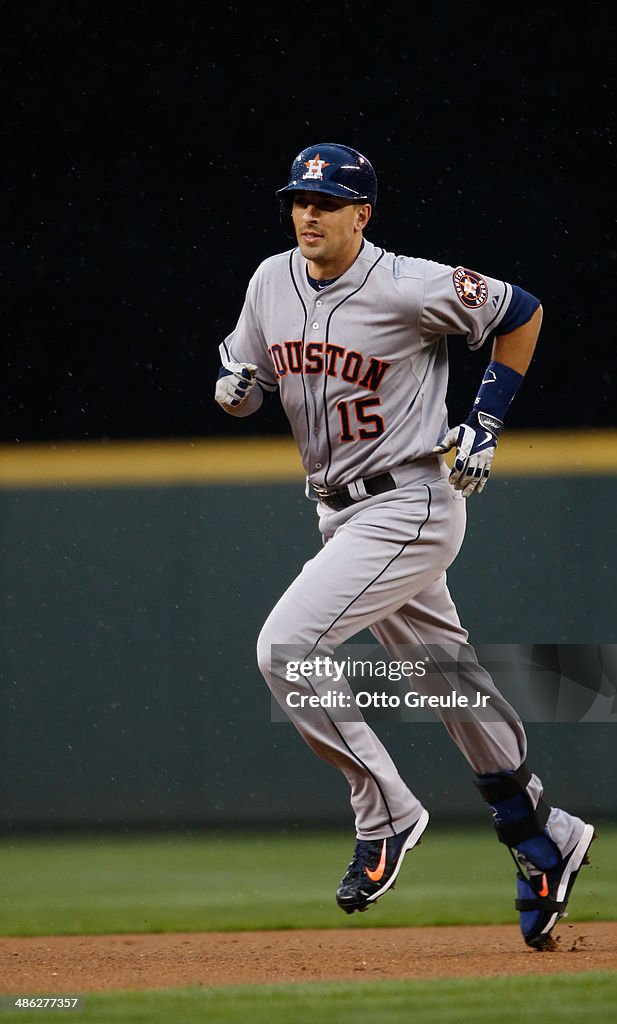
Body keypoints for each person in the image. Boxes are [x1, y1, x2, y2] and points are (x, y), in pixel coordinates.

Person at [215, 142, 594, 950]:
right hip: (337, 512)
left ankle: (385, 809)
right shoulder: (268, 281)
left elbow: (520, 312)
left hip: (412, 500)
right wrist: (236, 389)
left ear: (363, 213)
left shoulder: (408, 284)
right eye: (298, 200)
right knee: (449, 682)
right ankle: (541, 835)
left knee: (287, 647)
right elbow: (245, 376)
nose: (308, 214)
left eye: (327, 202)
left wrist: (486, 420)